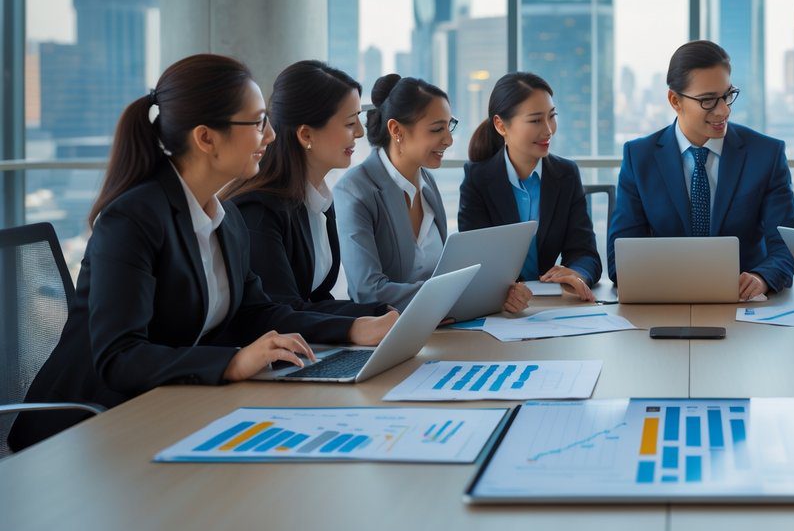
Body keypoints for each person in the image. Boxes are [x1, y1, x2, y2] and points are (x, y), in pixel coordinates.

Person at [8, 55, 397, 451]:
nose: (270, 137)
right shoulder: (132, 220)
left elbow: (257, 311)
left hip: (165, 410)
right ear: (206, 137)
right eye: (258, 123)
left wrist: (354, 327)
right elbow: (120, 357)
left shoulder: (224, 219)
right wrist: (230, 363)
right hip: (85, 431)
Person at [607, 40, 794, 299]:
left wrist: (761, 277)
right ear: (675, 100)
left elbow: (785, 246)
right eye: (708, 101)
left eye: (727, 96)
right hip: (664, 301)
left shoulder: (766, 155)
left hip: (744, 306)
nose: (724, 110)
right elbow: (620, 260)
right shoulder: (640, 157)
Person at [335, 74, 531, 314]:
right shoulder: (355, 190)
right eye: (437, 129)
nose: (448, 139)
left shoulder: (427, 182)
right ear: (396, 129)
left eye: (449, 126)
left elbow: (441, 273)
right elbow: (368, 291)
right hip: (389, 336)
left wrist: (499, 291)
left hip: (441, 327)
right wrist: (459, 295)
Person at [224, 60, 391, 317]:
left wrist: (386, 312)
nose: (359, 132)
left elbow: (315, 300)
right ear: (306, 135)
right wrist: (357, 326)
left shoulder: (318, 201)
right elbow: (281, 311)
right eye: (349, 123)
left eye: (358, 118)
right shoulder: (258, 211)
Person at [459, 72, 602, 301]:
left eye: (552, 116)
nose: (548, 130)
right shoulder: (478, 179)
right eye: (535, 120)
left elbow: (585, 252)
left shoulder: (566, 175)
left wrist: (576, 273)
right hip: (498, 309)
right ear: (501, 125)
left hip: (550, 306)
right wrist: (504, 293)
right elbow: (474, 261)